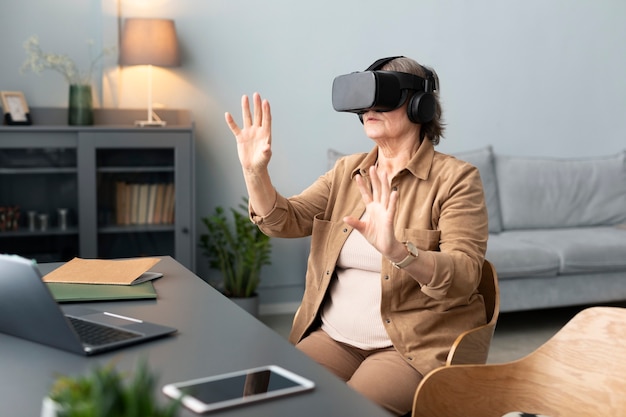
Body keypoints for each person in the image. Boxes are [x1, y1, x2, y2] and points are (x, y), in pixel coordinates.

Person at [224, 56, 488, 416]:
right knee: (267, 393)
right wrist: (254, 172)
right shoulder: (348, 171)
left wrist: (400, 252)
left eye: (383, 96)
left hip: (408, 347)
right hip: (333, 337)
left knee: (343, 408)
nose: (368, 109)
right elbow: (285, 220)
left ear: (419, 104)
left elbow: (466, 275)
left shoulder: (456, 180)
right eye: (364, 98)